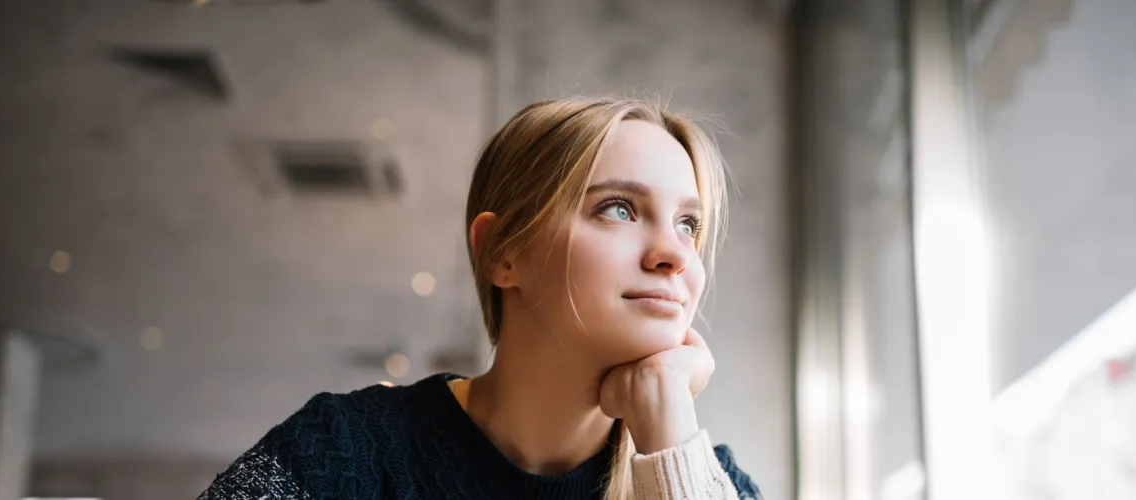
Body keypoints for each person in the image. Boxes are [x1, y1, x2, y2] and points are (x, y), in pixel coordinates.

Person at [196, 98, 762, 499]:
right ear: (502, 253)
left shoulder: (710, 481)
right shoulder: (343, 451)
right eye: (618, 208)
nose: (675, 253)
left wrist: (665, 420)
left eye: (689, 224)